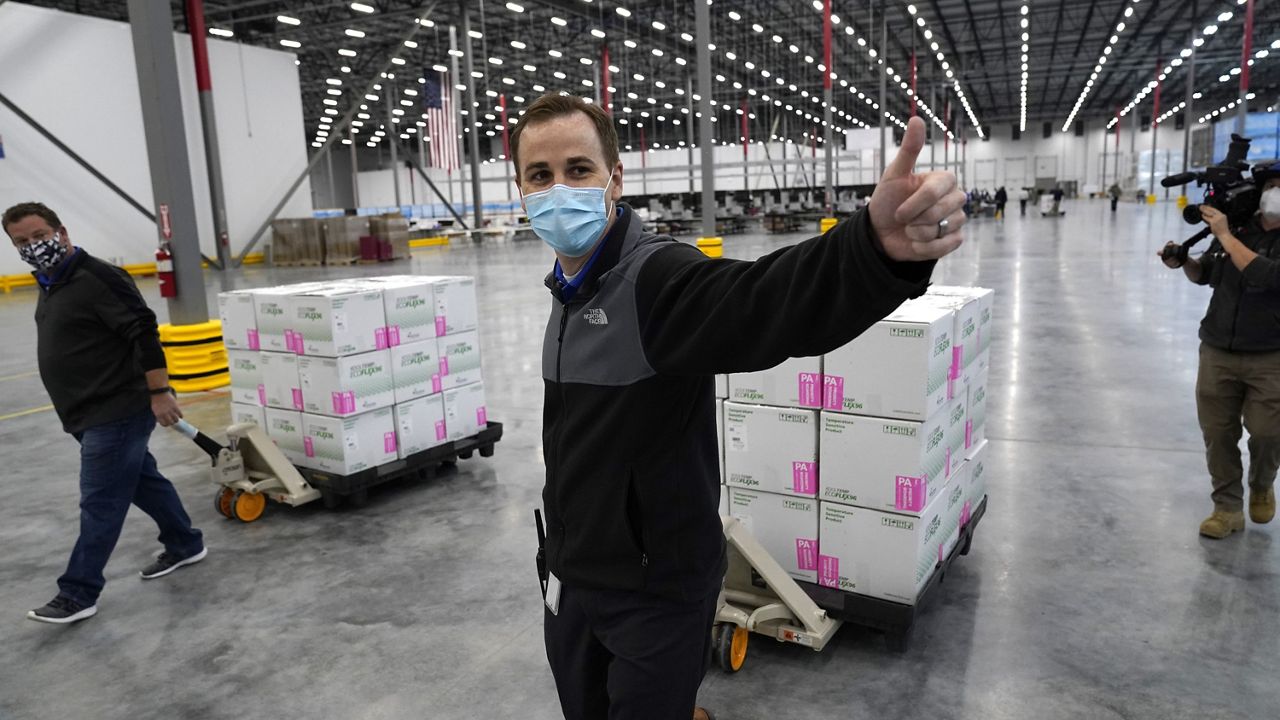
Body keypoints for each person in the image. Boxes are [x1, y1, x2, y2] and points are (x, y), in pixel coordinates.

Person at [511, 95, 964, 720]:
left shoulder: (656, 281)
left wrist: (870, 251)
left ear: (614, 177)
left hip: (653, 595)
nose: (559, 188)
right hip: (573, 582)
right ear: (521, 189)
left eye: (578, 169)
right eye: (541, 175)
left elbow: (764, 303)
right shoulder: (566, 292)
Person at [4, 202, 207, 625]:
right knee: (141, 482)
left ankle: (78, 592)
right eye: (21, 241)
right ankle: (185, 543)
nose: (32, 246)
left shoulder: (98, 277)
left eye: (38, 235)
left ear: (61, 231)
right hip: (85, 411)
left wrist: (159, 391)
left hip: (116, 408)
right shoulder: (51, 281)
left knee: (100, 500)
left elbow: (143, 332)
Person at [1158, 162, 1280, 539]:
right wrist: (1184, 262)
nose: (1274, 192)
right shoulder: (1239, 229)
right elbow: (1207, 273)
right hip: (1217, 349)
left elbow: (1265, 276)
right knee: (1218, 433)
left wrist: (1225, 234)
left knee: (1267, 432)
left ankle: (1261, 483)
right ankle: (1227, 508)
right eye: (1271, 185)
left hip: (1270, 355)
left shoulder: (1232, 233)